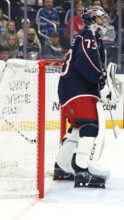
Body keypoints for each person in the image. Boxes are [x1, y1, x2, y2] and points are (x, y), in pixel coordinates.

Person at [55, 6, 120, 188]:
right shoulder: (90, 35)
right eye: (100, 18)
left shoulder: (83, 35)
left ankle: (62, 167)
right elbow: (85, 59)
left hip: (70, 90)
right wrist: (99, 79)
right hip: (79, 89)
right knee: (90, 126)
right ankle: (82, 171)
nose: (104, 22)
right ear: (92, 19)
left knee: (77, 128)